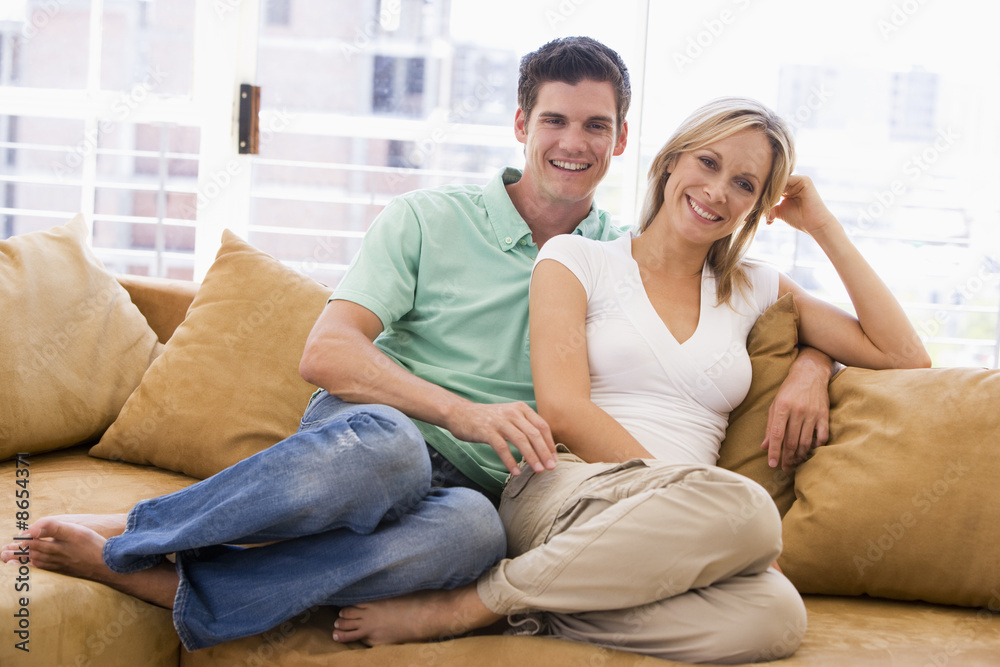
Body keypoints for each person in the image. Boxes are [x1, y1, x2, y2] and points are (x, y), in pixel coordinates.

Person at [2, 40, 832, 652]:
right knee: (394, 453)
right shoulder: (428, 220)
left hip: (478, 494)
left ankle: (169, 582)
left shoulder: (622, 252)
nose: (572, 143)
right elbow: (326, 354)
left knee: (470, 540)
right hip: (376, 436)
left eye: (595, 125)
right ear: (520, 123)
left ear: (621, 143)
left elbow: (754, 302)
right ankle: (144, 532)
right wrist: (461, 413)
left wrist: (810, 360)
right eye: (554, 120)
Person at [329, 97, 932, 663]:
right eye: (708, 163)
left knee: (776, 618)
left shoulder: (757, 289)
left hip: (681, 523)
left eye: (745, 184)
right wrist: (679, 492)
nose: (718, 192)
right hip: (569, 488)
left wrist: (814, 336)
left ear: (758, 205)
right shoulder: (577, 259)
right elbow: (563, 409)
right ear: (670, 164)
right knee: (749, 511)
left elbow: (904, 355)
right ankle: (466, 605)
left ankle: (529, 606)